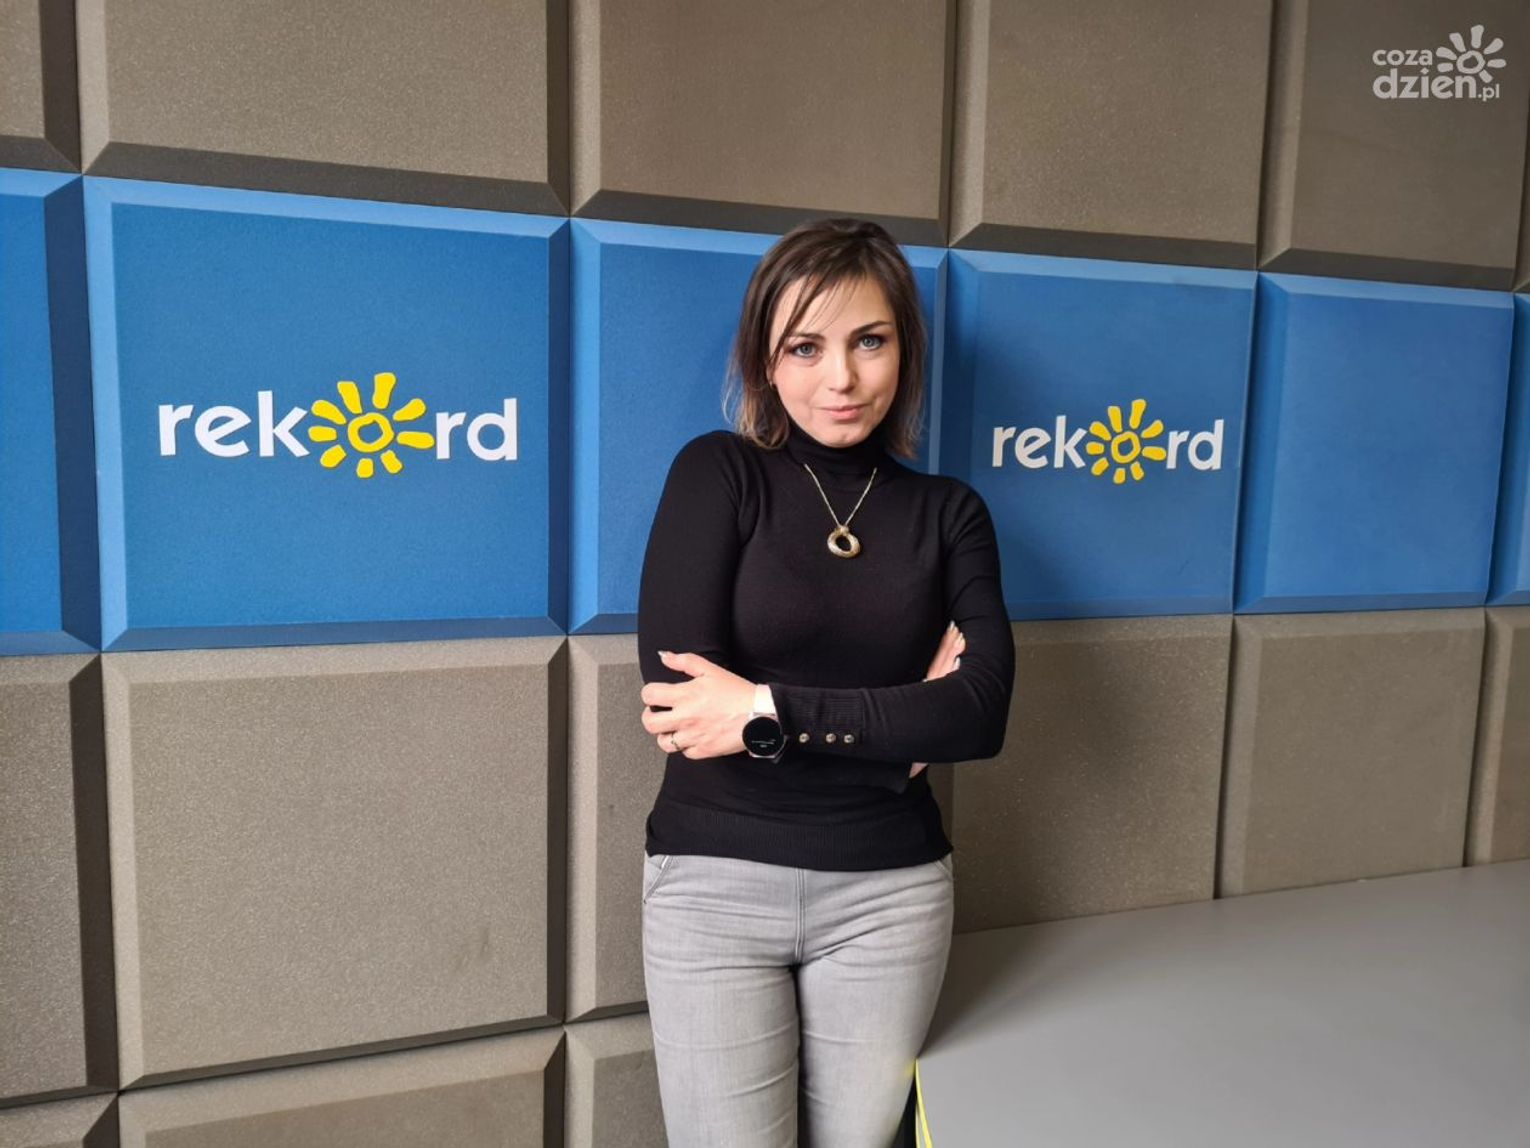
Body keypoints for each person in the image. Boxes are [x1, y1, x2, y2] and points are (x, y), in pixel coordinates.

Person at [635, 216, 1015, 1147]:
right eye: (805, 347)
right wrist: (897, 737)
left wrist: (764, 710)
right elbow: (682, 713)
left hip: (891, 898)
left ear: (904, 349)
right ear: (765, 361)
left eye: (868, 341)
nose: (840, 378)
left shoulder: (950, 514)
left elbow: (979, 714)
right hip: (714, 888)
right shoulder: (720, 473)